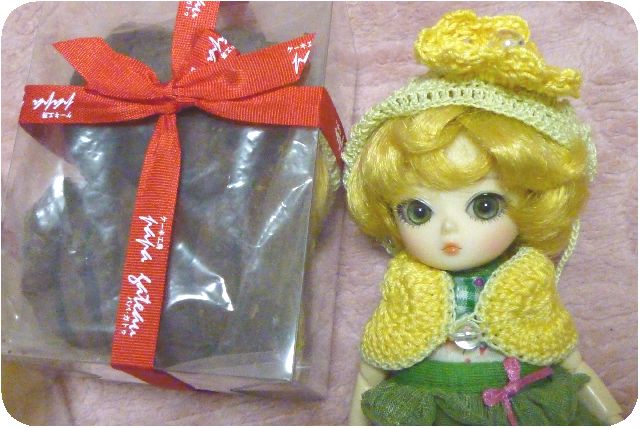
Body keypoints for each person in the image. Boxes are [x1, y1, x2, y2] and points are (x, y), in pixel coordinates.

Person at [342, 10, 622, 425]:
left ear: (534, 200)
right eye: (418, 211)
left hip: (518, 405)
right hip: (427, 409)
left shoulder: (528, 278)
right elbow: (370, 374)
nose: (449, 230)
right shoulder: (406, 284)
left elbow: (573, 363)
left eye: (485, 206)